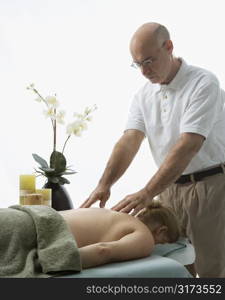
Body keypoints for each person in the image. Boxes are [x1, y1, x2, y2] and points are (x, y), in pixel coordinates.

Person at [81, 22, 225, 278]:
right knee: (173, 268)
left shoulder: (203, 83)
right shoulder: (143, 96)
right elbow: (129, 140)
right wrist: (104, 184)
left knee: (212, 271)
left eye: (149, 61)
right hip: (168, 191)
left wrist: (147, 192)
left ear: (169, 47)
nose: (144, 71)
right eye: (138, 64)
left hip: (210, 188)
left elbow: (188, 144)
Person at [59, 201, 180, 269]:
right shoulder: (146, 237)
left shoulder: (114, 214)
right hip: (51, 233)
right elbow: (103, 251)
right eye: (162, 242)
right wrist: (53, 264)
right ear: (161, 231)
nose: (156, 246)